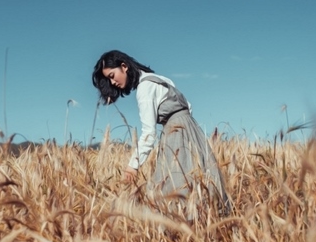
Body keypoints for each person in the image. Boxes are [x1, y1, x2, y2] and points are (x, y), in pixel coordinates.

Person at [92, 50, 230, 219]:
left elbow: (149, 133)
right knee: (203, 186)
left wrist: (133, 165)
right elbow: (188, 106)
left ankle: (183, 237)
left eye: (112, 76)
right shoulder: (160, 79)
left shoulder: (144, 89)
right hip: (194, 133)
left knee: (175, 191)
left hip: (175, 137)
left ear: (124, 66)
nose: (113, 82)